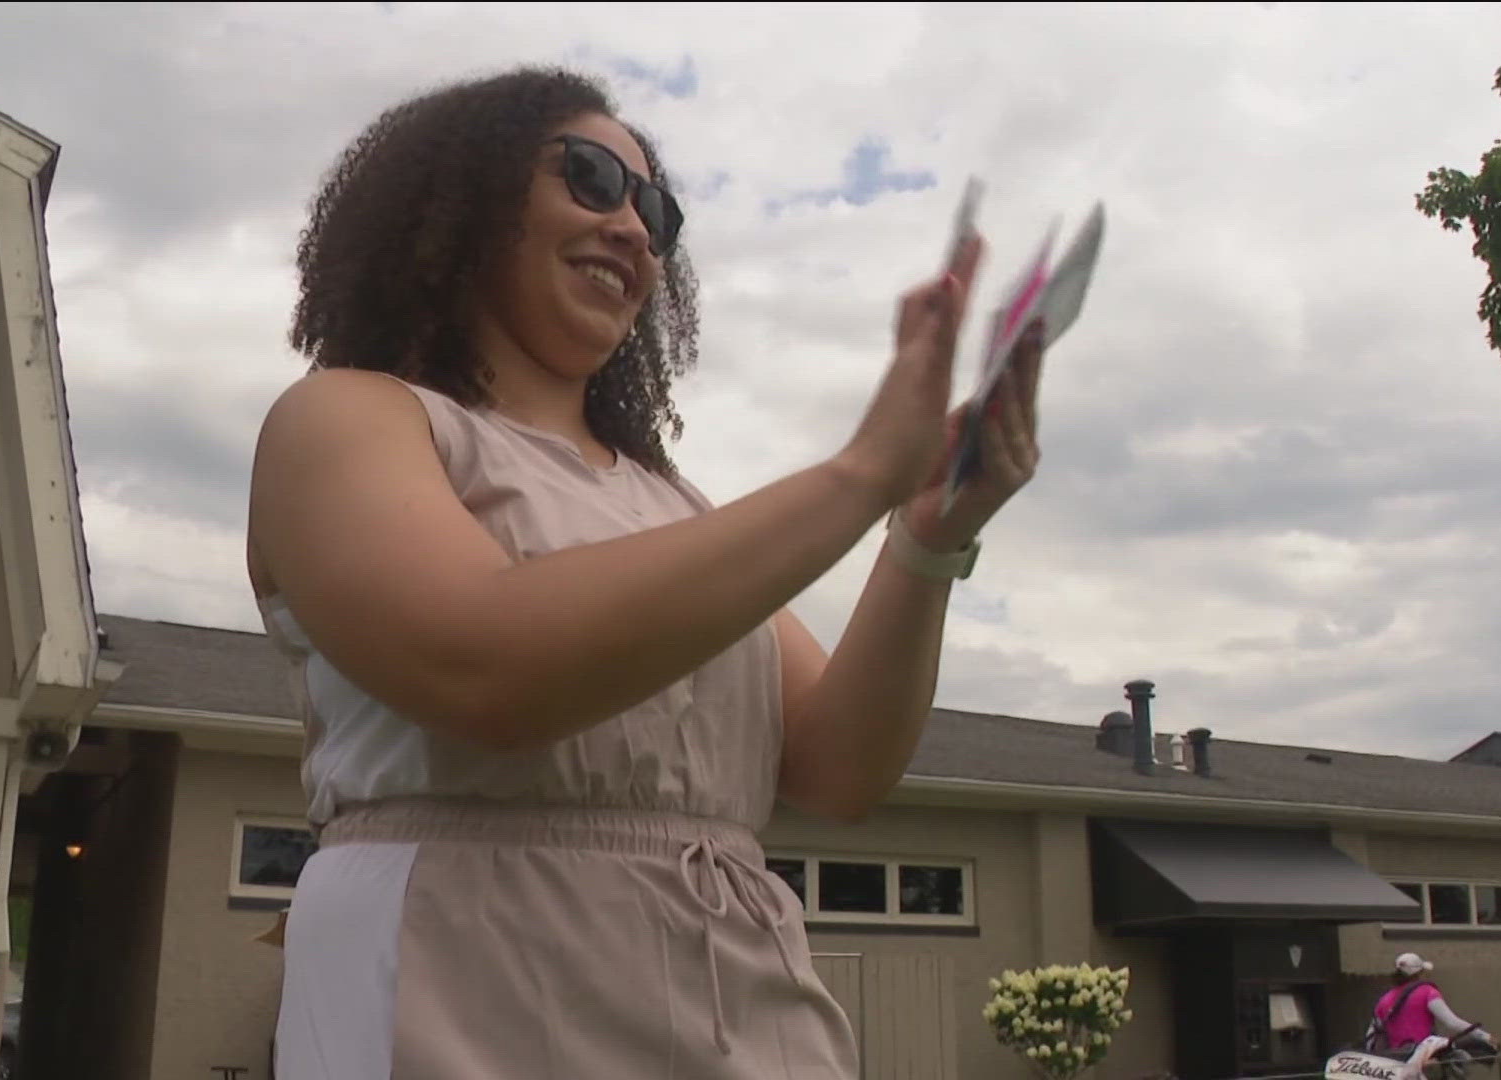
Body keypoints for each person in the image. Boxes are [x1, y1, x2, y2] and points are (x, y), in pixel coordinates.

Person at [246, 66, 1044, 1079]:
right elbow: (482, 666)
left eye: (653, 209)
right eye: (588, 176)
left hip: (739, 1004)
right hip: (461, 987)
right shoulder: (347, 418)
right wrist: (855, 477)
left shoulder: (670, 502)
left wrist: (924, 538)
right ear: (461, 202)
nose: (633, 227)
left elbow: (840, 768)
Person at [1366, 954, 1497, 1057]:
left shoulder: (1384, 999)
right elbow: (1452, 1022)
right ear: (1419, 973)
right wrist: (1484, 1036)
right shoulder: (1427, 992)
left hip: (1396, 1061)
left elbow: (1371, 1036)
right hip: (1422, 1058)